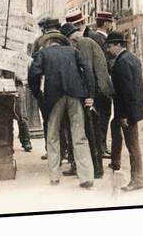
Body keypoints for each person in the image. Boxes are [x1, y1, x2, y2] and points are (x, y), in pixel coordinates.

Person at [28, 37, 95, 188]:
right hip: (75, 94)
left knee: (52, 136)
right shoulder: (73, 51)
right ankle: (86, 177)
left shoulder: (43, 54)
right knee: (79, 135)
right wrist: (89, 94)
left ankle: (54, 176)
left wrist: (38, 94)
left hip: (53, 97)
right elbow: (88, 71)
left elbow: (33, 75)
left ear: (47, 43)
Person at [60, 22, 114, 179]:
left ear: (71, 39)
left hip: (96, 95)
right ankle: (90, 167)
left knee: (91, 133)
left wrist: (89, 97)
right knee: (90, 132)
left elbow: (88, 72)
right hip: (96, 92)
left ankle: (96, 169)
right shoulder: (86, 42)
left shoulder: (83, 44)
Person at [106, 31, 143, 191]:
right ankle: (119, 164)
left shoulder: (121, 63)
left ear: (118, 45)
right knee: (126, 138)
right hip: (134, 108)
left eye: (110, 46)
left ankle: (137, 180)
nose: (108, 50)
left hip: (126, 111)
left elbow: (125, 92)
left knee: (133, 145)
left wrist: (123, 116)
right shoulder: (133, 58)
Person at [30, 18, 70, 160]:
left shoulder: (39, 42)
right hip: (66, 87)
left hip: (46, 88)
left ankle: (52, 151)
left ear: (44, 29)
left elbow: (34, 64)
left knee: (49, 120)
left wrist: (35, 91)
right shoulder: (65, 40)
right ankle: (65, 150)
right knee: (65, 121)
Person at [93, 11, 115, 158]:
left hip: (100, 83)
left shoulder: (96, 38)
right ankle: (101, 148)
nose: (112, 24)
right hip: (102, 83)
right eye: (111, 22)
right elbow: (104, 63)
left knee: (102, 115)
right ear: (106, 23)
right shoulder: (101, 40)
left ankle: (102, 146)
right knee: (103, 115)